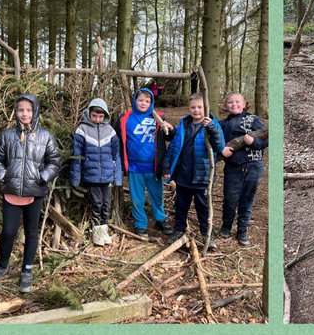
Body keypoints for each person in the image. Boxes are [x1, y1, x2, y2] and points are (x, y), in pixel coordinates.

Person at [0, 93, 60, 293]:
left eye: (28, 110)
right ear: (16, 111)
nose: (24, 114)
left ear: (35, 111)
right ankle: (2, 265)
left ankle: (27, 270)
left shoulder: (45, 136)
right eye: (21, 110)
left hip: (34, 193)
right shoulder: (7, 136)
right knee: (9, 232)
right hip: (11, 193)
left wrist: (42, 177)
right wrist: (4, 176)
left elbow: (54, 161)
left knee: (31, 232)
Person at [161, 93, 225, 246]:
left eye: (200, 107)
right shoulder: (184, 124)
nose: (196, 110)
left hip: (202, 175)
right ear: (188, 109)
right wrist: (166, 165)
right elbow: (174, 147)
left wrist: (212, 129)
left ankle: (206, 234)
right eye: (193, 107)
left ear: (206, 108)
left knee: (203, 207)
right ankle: (179, 229)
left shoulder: (212, 125)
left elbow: (220, 146)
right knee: (181, 205)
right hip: (184, 174)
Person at [118, 86, 174, 238]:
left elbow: (170, 137)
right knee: (137, 198)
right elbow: (117, 139)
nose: (143, 103)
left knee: (156, 195)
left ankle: (160, 219)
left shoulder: (159, 118)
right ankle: (140, 224)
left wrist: (170, 128)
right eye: (140, 100)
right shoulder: (125, 118)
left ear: (152, 102)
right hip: (134, 166)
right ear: (135, 100)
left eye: (147, 101)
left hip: (153, 166)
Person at [70, 97, 122, 247]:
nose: (98, 119)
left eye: (100, 116)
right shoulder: (82, 130)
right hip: (91, 176)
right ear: (89, 114)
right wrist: (75, 178)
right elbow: (77, 156)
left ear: (105, 116)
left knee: (106, 204)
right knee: (96, 204)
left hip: (107, 176)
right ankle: (96, 233)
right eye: (94, 116)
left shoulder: (110, 131)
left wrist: (117, 177)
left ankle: (104, 231)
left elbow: (116, 155)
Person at [217, 93, 267, 247]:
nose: (234, 105)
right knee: (230, 198)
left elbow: (266, 139)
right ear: (226, 106)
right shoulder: (222, 124)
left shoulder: (254, 120)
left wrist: (254, 142)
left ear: (244, 104)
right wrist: (221, 149)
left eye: (237, 102)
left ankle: (242, 230)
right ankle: (226, 227)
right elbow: (216, 140)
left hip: (253, 166)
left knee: (247, 199)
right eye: (230, 102)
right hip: (233, 167)